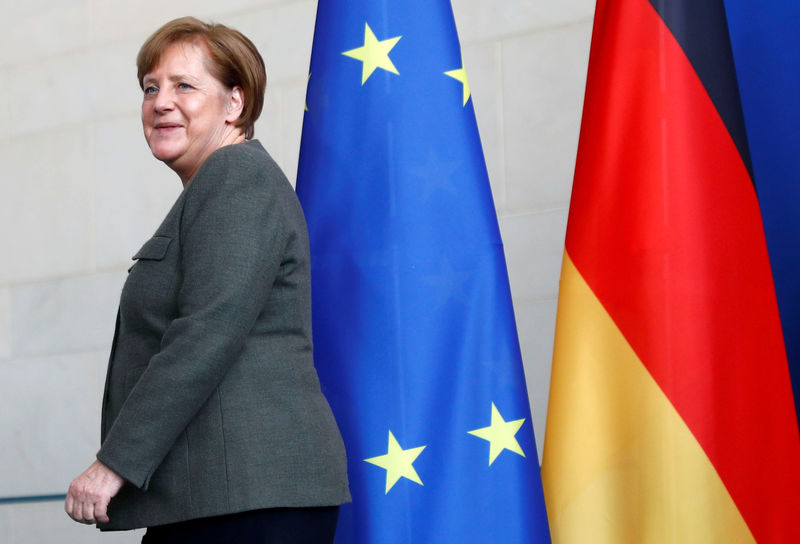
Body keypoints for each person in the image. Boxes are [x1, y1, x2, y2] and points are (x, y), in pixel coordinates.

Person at [64, 16, 350, 542]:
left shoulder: (235, 175)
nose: (161, 102)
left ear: (235, 103)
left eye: (184, 86)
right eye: (151, 88)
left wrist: (115, 463)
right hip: (221, 496)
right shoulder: (213, 187)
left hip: (249, 497)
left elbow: (205, 331)